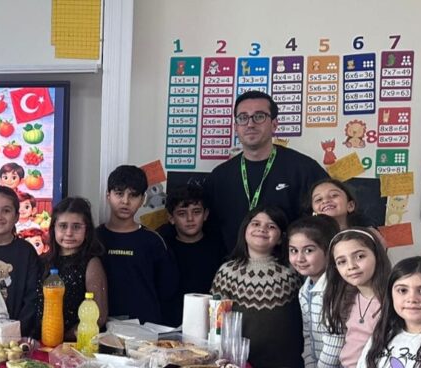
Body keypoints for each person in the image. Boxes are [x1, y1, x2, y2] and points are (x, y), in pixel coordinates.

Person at [209, 206, 304, 368]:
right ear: (245, 230)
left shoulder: (293, 271)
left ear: (281, 237)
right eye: (256, 224)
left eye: (271, 226)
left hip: (280, 363)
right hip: (237, 365)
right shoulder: (227, 271)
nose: (262, 229)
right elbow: (216, 320)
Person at [205, 91, 328, 251]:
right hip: (232, 263)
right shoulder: (219, 177)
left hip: (290, 263)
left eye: (259, 116)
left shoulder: (304, 169)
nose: (250, 124)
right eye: (243, 117)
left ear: (274, 124)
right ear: (236, 127)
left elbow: (330, 215)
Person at [319, 227, 392, 368]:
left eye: (359, 256)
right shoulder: (348, 297)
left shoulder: (393, 302)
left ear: (377, 255)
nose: (351, 266)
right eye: (341, 261)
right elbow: (350, 351)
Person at [286, 215, 343, 368]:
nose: (299, 258)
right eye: (293, 250)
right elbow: (308, 338)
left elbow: (334, 344)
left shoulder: (334, 289)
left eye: (308, 250)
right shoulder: (306, 289)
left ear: (329, 252)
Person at [98, 165, 179, 326]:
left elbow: (167, 290)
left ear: (142, 200)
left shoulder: (154, 241)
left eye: (133, 195)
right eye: (119, 193)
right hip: (100, 328)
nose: (125, 201)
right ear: (108, 195)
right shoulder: (94, 239)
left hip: (146, 329)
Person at [155, 184, 226, 326]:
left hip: (209, 324)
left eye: (196, 212)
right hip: (167, 325)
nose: (190, 219)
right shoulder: (161, 248)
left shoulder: (219, 248)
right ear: (171, 218)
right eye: (182, 213)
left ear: (205, 214)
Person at [0, 187, 42, 337]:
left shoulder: (26, 251)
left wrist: (18, 331)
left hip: (17, 334)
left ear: (16, 217)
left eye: (6, 211)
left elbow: (33, 297)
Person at [43, 197, 108, 340]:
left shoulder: (91, 263)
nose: (69, 233)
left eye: (77, 227)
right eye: (63, 226)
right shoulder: (43, 261)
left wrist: (63, 339)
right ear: (53, 228)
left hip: (75, 344)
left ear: (87, 230)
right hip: (42, 341)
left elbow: (99, 317)